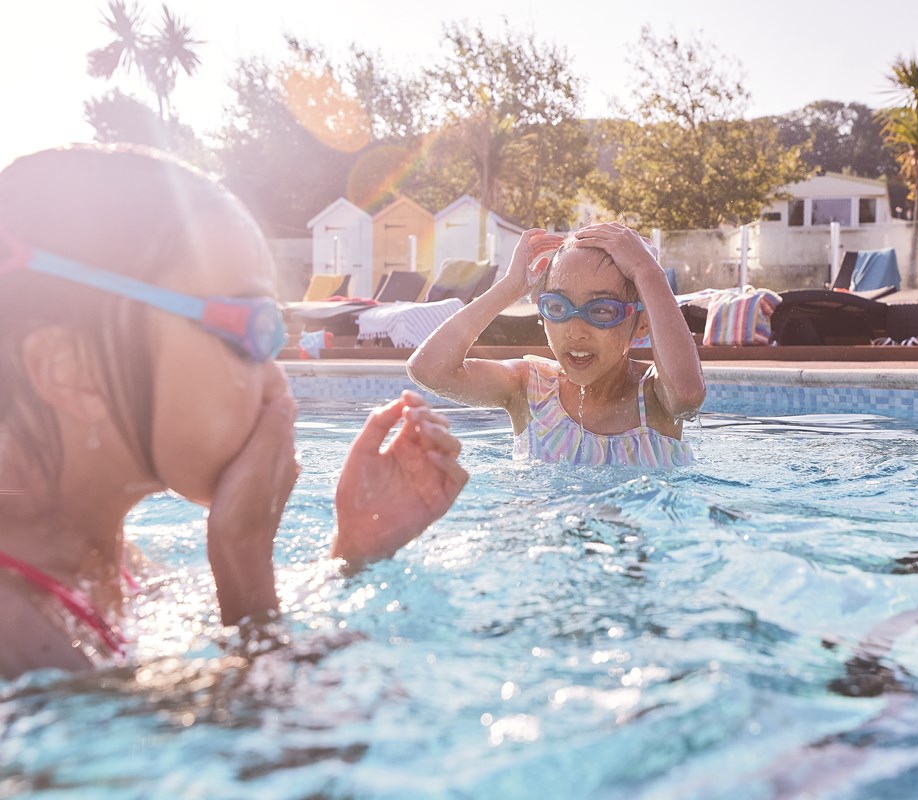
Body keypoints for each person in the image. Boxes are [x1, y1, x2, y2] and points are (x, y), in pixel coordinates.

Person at [0, 144, 468, 680]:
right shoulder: (14, 636)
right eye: (246, 330)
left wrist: (353, 550)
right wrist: (243, 560)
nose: (277, 382)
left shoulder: (103, 556)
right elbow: (291, 753)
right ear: (70, 369)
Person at [407, 223, 706, 467]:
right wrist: (511, 286)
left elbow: (687, 395)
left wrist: (648, 272)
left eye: (601, 310)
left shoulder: (653, 397)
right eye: (558, 308)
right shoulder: (528, 389)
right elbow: (429, 369)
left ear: (642, 323)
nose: (576, 331)